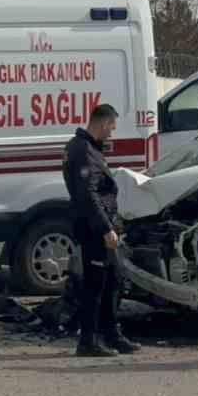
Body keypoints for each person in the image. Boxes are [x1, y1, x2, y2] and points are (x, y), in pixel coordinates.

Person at [64, 103, 139, 358]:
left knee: (113, 281)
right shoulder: (83, 151)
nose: (112, 133)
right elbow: (88, 195)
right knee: (95, 285)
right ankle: (88, 341)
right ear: (103, 122)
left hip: (101, 226)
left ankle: (111, 333)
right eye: (111, 128)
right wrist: (106, 229)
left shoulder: (89, 149)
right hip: (95, 228)